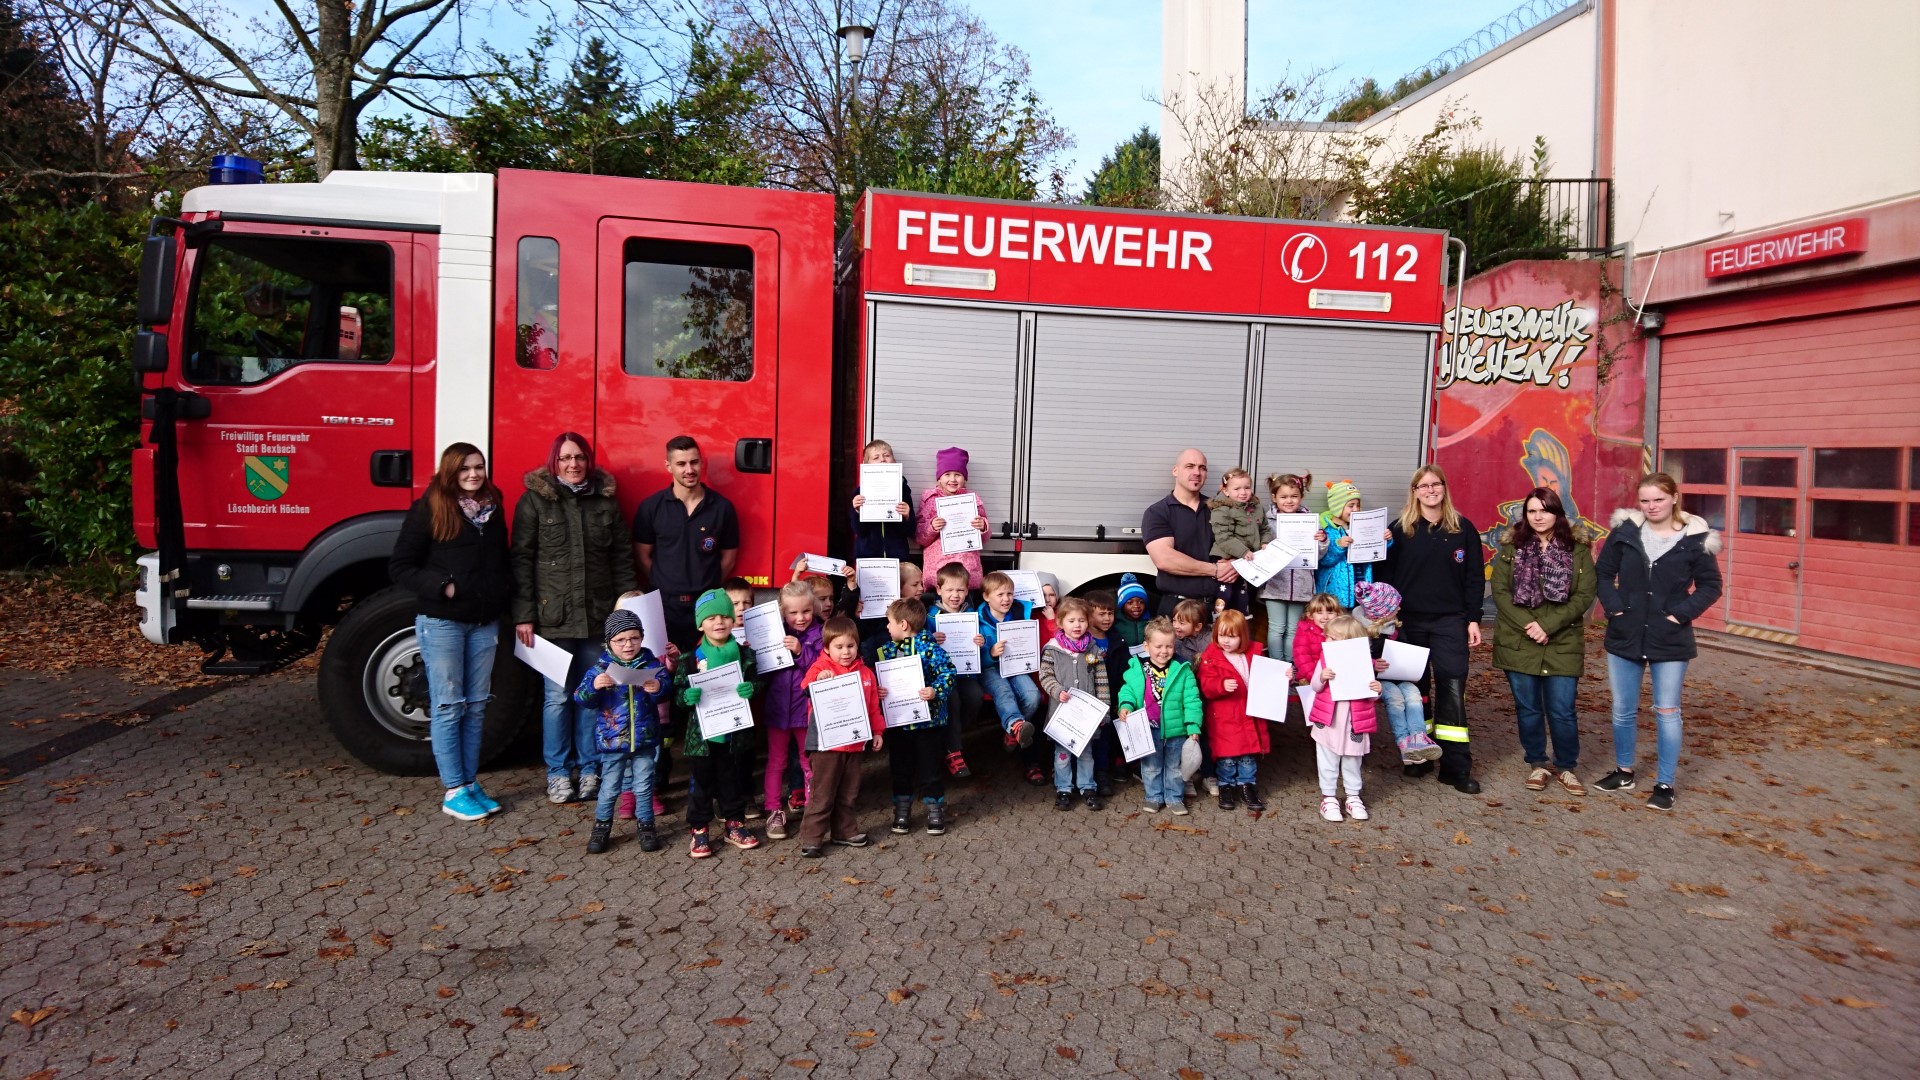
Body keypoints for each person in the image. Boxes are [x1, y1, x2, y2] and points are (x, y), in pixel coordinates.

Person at [511, 432, 637, 806]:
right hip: (551, 620)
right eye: (565, 458)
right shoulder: (534, 502)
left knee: (593, 696)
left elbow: (622, 559)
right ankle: (557, 774)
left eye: (580, 457)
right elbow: (520, 560)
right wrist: (524, 615)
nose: (573, 464)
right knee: (556, 699)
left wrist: (628, 612)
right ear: (554, 461)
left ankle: (590, 770)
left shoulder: (605, 503)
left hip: (597, 618)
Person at [389, 442, 513, 822]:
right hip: (442, 623)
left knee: (475, 706)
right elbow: (401, 566)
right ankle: (454, 789)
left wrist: (501, 594)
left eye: (478, 467)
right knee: (447, 705)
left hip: (482, 622)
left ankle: (470, 783)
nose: (473, 474)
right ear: (450, 472)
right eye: (465, 469)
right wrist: (444, 586)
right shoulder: (430, 507)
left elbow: (500, 560)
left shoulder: (492, 508)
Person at [1594, 473, 1723, 812]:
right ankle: (1624, 772)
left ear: (1674, 498)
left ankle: (1665, 783)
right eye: (1645, 500)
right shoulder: (1624, 533)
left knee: (1667, 711)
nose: (1651, 507)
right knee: (1623, 710)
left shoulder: (1696, 539)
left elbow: (1710, 586)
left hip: (1670, 637)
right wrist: (1616, 609)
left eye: (1658, 500)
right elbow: (1603, 574)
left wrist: (1679, 615)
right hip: (1626, 632)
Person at [1380, 465, 1485, 795]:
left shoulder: (1462, 529)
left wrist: (1473, 619)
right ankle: (1420, 756)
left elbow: (1474, 578)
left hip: (1450, 621)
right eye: (1423, 486)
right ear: (1414, 491)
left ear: (1444, 488)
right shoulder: (1399, 530)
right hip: (1409, 622)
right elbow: (1383, 577)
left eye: (1435, 484)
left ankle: (1456, 767)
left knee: (1453, 689)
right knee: (1416, 691)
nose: (1430, 490)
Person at [1492, 487, 1598, 796]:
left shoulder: (1577, 548)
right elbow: (1499, 591)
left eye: (1544, 510)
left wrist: (1548, 625)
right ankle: (1537, 763)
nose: (1538, 516)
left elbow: (1584, 594)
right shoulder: (1513, 547)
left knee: (1562, 709)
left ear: (1557, 513)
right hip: (1519, 640)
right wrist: (1529, 624)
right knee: (1528, 708)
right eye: (1532, 511)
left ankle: (1566, 767)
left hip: (1562, 641)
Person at [673, 589, 761, 858]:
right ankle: (699, 829)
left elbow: (757, 683)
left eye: (725, 616)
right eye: (711, 618)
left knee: (731, 780)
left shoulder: (746, 655)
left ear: (733, 620)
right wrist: (686, 697)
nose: (719, 622)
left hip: (734, 733)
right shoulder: (689, 659)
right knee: (701, 784)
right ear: (701, 624)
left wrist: (752, 689)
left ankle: (734, 824)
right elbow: (677, 695)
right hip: (704, 738)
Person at [574, 610, 671, 854]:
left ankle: (646, 826)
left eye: (634, 638)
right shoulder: (599, 668)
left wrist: (658, 687)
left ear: (642, 638)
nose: (628, 644)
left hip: (645, 739)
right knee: (609, 788)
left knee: (644, 786)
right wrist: (595, 687)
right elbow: (581, 697)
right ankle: (601, 827)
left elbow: (667, 690)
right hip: (612, 741)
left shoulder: (651, 664)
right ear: (609, 642)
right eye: (620, 640)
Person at [633, 435, 741, 650]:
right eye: (681, 464)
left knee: (703, 668)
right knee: (665, 669)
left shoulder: (722, 508)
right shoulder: (651, 507)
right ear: (668, 466)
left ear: (702, 463)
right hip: (664, 606)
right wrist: (665, 583)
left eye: (694, 462)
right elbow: (642, 555)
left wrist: (706, 585)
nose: (689, 470)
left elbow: (729, 557)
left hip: (706, 606)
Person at [795, 617, 885, 857]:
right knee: (822, 793)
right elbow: (805, 687)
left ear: (857, 646)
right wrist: (818, 680)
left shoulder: (866, 674)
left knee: (848, 792)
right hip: (825, 745)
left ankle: (844, 832)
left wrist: (877, 732)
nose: (846, 652)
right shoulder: (819, 668)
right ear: (826, 648)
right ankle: (812, 838)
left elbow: (873, 706)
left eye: (851, 646)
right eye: (839, 646)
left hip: (854, 744)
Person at [876, 598, 957, 836]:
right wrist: (880, 690)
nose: (886, 627)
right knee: (900, 767)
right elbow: (883, 680)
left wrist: (935, 691)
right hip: (900, 723)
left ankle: (935, 808)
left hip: (929, 723)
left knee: (930, 767)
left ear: (903, 624)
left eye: (888, 622)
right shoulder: (887, 650)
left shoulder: (930, 648)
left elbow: (949, 673)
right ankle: (902, 809)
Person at [759, 580, 825, 840]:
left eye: (806, 611)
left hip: (805, 710)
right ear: (782, 612)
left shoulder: (820, 634)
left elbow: (821, 666)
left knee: (808, 761)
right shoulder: (773, 633)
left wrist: (800, 651)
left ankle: (813, 809)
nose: (800, 618)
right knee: (776, 762)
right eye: (793, 612)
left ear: (814, 608)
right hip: (777, 710)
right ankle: (774, 810)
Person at [1118, 617, 1202, 815]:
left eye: (1169, 646)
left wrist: (1193, 725)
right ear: (1146, 646)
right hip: (1147, 728)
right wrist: (1126, 705)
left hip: (1177, 729)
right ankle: (1154, 796)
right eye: (1159, 646)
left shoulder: (1183, 670)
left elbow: (1192, 699)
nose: (1164, 651)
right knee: (1151, 767)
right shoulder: (1137, 668)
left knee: (1174, 767)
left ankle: (1174, 798)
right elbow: (1128, 690)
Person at [1353, 581, 1442, 768]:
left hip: (1398, 675)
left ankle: (1419, 738)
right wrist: (1373, 664)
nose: (1400, 607)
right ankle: (1404, 743)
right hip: (1374, 680)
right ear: (1382, 613)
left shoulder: (1394, 626)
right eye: (1395, 606)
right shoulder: (1359, 630)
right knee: (1394, 697)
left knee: (1413, 694)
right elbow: (1353, 659)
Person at [1306, 614, 1382, 822]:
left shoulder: (1364, 662)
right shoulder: (1325, 660)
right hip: (1328, 722)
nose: (1326, 641)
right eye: (1327, 637)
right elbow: (1314, 686)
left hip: (1355, 723)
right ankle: (1328, 797)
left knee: (1352, 760)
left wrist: (1377, 689)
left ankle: (1353, 796)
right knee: (1327, 759)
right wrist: (1322, 677)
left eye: (1332, 638)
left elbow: (1370, 694)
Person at [1143, 449, 1237, 619]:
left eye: (1202, 468)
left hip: (1218, 609)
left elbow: (1241, 545)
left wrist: (1236, 565)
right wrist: (1215, 570)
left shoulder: (1219, 509)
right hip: (1176, 610)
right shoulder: (1158, 512)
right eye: (1190, 466)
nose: (1197, 472)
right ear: (1175, 471)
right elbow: (1165, 559)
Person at [1039, 597, 1110, 811]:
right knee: (1062, 754)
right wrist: (1056, 690)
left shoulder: (1094, 649)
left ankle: (1088, 787)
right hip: (1062, 714)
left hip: (1086, 717)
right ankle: (1063, 788)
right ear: (1060, 622)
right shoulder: (1052, 649)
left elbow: (1102, 680)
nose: (1077, 625)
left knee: (1086, 752)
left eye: (1081, 620)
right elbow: (1045, 676)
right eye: (1071, 621)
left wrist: (1103, 711)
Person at [1193, 609, 1268, 812]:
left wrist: (1284, 674)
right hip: (1224, 716)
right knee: (1226, 757)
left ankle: (1247, 786)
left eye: (1232, 636)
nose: (1226, 641)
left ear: (1242, 636)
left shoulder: (1254, 653)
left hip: (1248, 713)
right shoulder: (1211, 657)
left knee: (1247, 756)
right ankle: (1226, 786)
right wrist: (1221, 685)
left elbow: (1268, 676)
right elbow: (1206, 685)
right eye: (1222, 635)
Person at [977, 570, 1045, 756]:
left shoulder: (1023, 614)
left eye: (1009, 594)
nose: (1006, 599)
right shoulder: (977, 620)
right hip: (990, 668)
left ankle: (1013, 731)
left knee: (1033, 697)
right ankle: (1015, 725)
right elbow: (974, 661)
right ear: (986, 597)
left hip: (1016, 665)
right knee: (1003, 692)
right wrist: (990, 653)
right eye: (1000, 594)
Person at [925, 562, 981, 779]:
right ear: (939, 590)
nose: (955, 595)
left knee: (975, 698)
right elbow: (921, 643)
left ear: (967, 591)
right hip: (941, 676)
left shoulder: (972, 614)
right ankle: (953, 750)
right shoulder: (930, 617)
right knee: (953, 700)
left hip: (966, 672)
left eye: (960, 590)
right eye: (949, 590)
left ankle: (950, 735)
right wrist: (931, 639)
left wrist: (980, 640)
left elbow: (981, 640)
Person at [1259, 472, 1322, 665]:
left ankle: (1291, 667)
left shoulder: (1311, 521)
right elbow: (1257, 550)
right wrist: (1264, 547)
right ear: (1274, 497)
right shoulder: (1266, 522)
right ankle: (1278, 666)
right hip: (1275, 585)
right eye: (1283, 497)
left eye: (1294, 496)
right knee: (1277, 628)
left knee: (1294, 629)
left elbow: (1318, 555)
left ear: (1301, 497)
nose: (1289, 501)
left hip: (1301, 586)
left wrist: (1323, 541)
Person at [914, 447, 990, 591]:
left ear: (965, 478)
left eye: (958, 474)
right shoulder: (930, 500)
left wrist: (983, 526)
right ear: (939, 478)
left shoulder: (972, 500)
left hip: (967, 570)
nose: (952, 479)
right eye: (947, 474)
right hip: (938, 570)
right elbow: (919, 537)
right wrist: (931, 527)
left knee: (967, 608)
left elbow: (985, 537)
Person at [1208, 468, 1270, 615]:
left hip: (1249, 560)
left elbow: (1265, 529)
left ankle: (1241, 624)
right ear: (1226, 491)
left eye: (1247, 488)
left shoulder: (1257, 508)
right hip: (1227, 558)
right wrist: (1242, 551)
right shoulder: (1222, 510)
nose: (1243, 492)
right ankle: (1219, 622)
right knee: (1225, 595)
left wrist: (1265, 543)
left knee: (1245, 597)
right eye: (1237, 488)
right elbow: (1224, 537)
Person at [1314, 479, 1378, 610]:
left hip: (1361, 587)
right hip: (1336, 594)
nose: (1355, 509)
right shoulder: (1327, 530)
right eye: (1351, 505)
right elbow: (1324, 561)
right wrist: (1338, 545)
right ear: (1338, 507)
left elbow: (1376, 551)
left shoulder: (1363, 527)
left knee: (1356, 628)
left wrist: (1385, 540)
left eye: (1358, 505)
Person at [849, 439, 916, 561]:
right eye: (876, 457)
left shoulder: (904, 491)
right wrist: (857, 511)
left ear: (894, 462)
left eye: (887, 455)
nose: (882, 459)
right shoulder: (860, 493)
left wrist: (907, 517)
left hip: (897, 558)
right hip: (867, 557)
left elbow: (909, 531)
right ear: (866, 465)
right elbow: (859, 531)